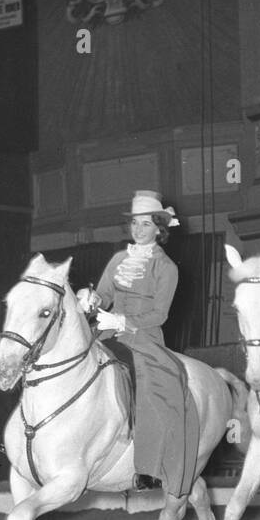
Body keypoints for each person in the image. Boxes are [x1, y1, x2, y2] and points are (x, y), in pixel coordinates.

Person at [77, 191, 200, 494]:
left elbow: (159, 314)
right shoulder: (119, 259)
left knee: (151, 383)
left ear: (160, 228)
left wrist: (123, 322)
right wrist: (92, 300)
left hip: (143, 337)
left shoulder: (167, 268)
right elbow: (104, 295)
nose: (138, 230)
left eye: (146, 224)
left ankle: (149, 467)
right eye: (135, 223)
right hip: (106, 330)